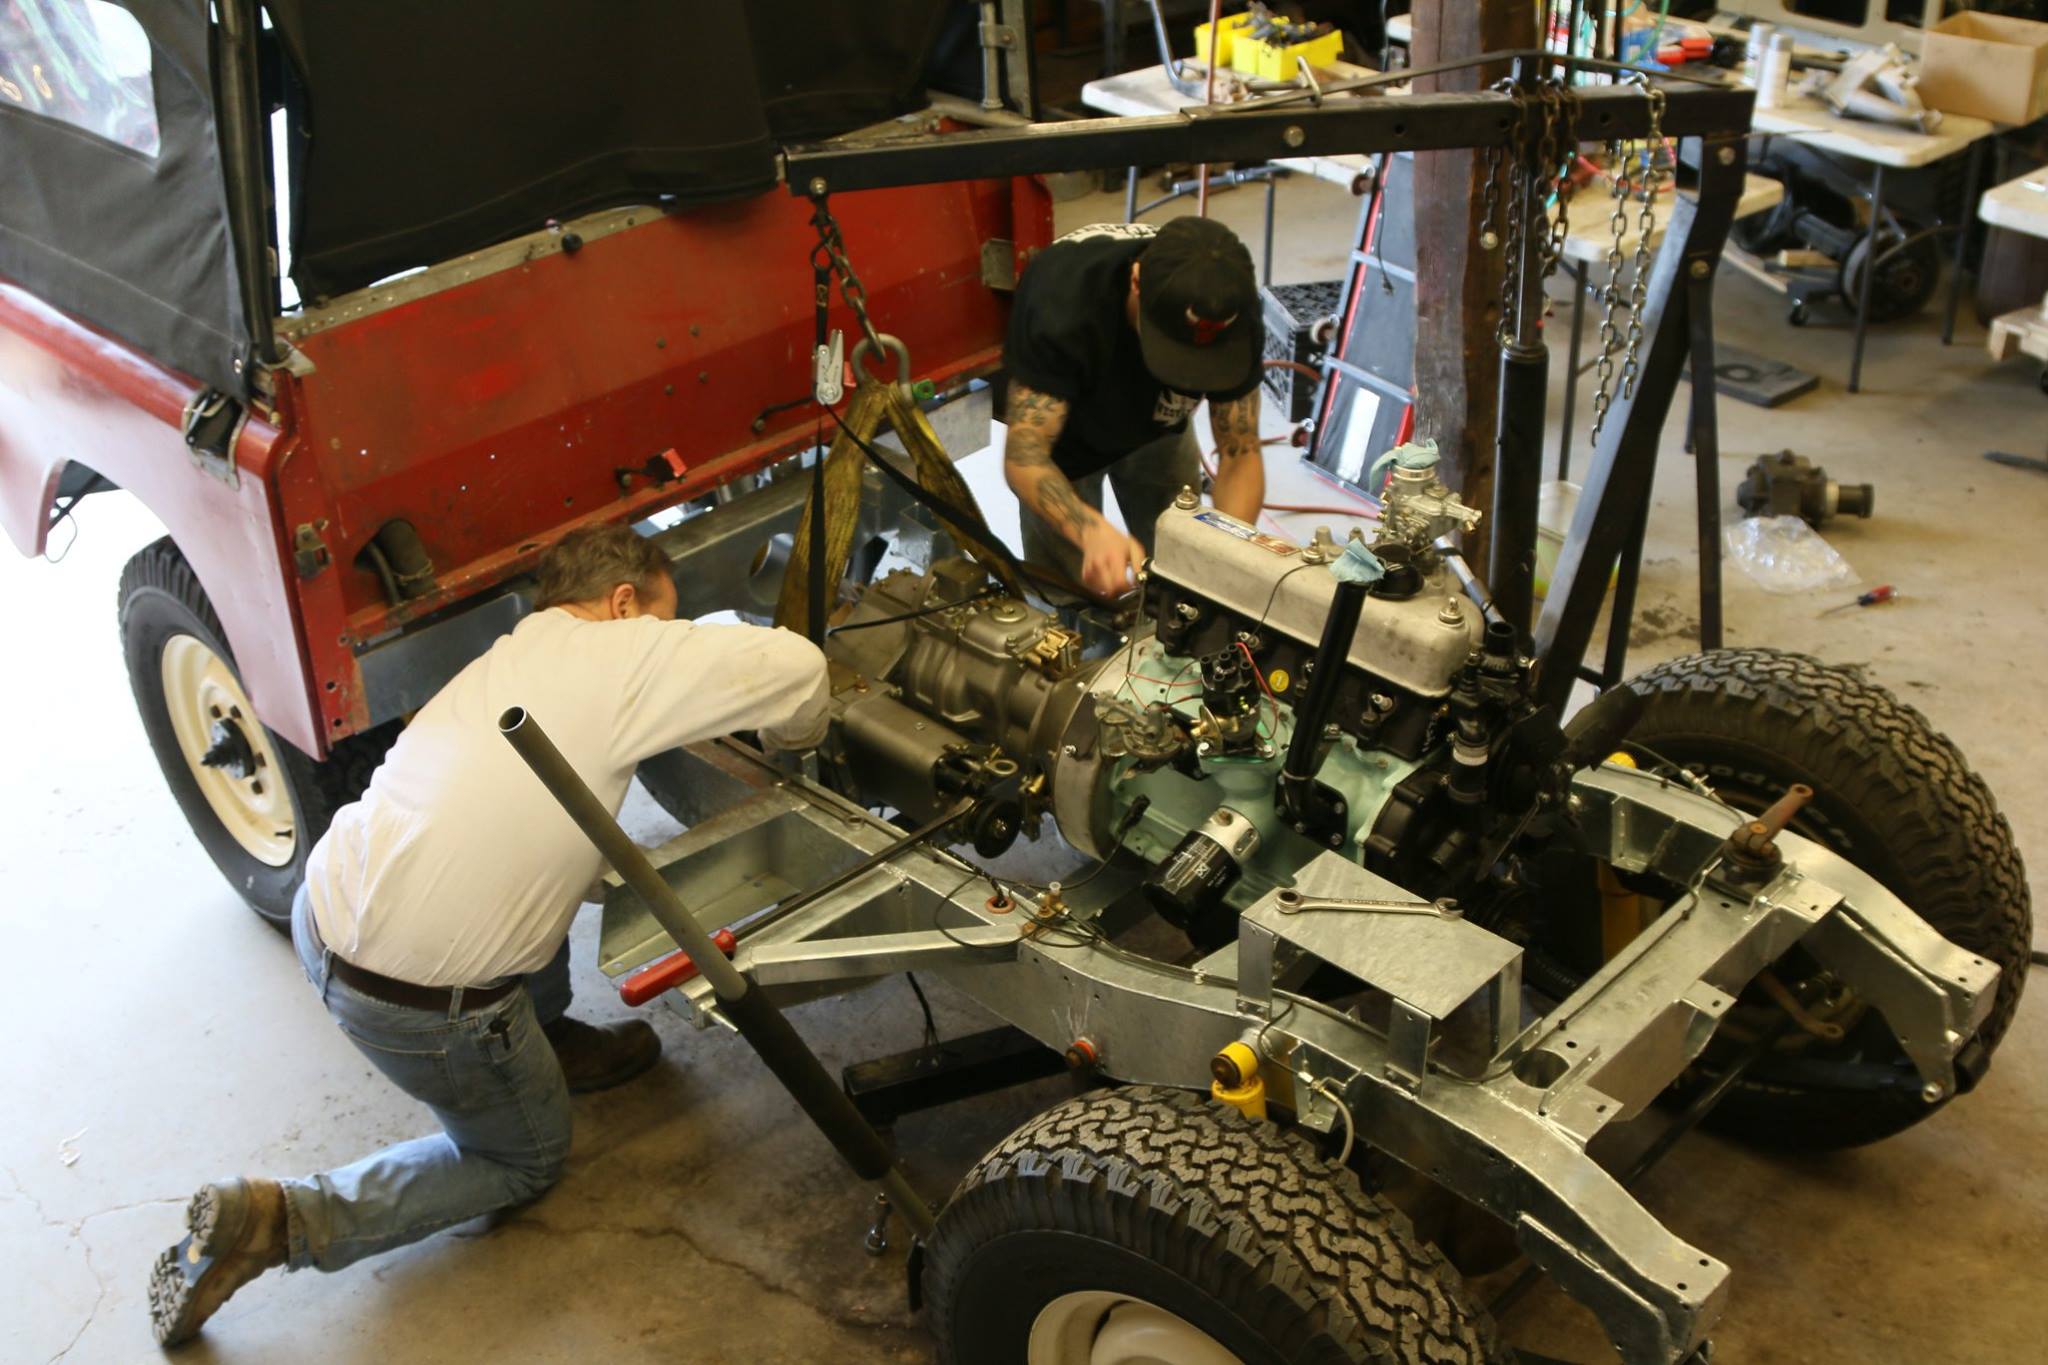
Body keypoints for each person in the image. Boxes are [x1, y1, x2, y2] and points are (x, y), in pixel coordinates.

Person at [147, 525, 831, 1348]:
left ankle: (545, 1041)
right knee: (523, 1159)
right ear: (622, 604)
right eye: (661, 616)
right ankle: (283, 1218)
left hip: (322, 921)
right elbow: (801, 671)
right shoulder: (624, 656)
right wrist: (800, 744)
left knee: (544, 873)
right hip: (425, 1012)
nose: (664, 633)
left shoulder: (506, 657)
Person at [1002, 215, 1267, 598]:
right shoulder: (1061, 304)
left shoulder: (1233, 310)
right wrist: (1088, 529)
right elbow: (1025, 458)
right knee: (1071, 600)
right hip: (1067, 442)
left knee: (1185, 566)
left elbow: (1240, 452)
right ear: (1137, 281)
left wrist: (1225, 554)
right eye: (1176, 354)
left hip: (1161, 425)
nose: (1190, 373)